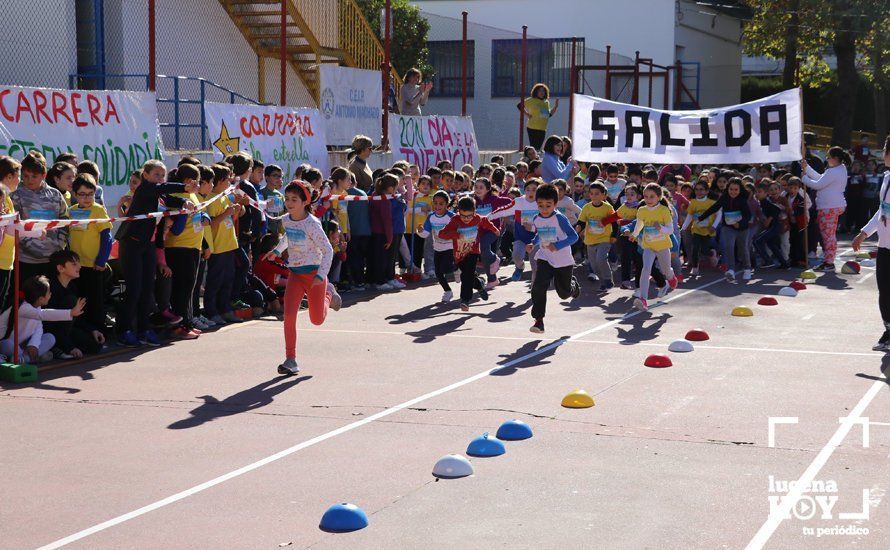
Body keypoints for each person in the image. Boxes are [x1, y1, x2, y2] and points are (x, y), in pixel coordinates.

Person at [264, 180, 341, 375]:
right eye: (287, 199)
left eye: (294, 199)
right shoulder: (287, 219)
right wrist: (277, 250)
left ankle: (329, 295)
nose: (289, 203)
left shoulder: (312, 224)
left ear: (305, 202)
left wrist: (322, 274)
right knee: (288, 316)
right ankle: (291, 359)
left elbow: (328, 250)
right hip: (295, 275)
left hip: (314, 275)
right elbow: (288, 237)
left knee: (317, 320)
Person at [114, 159, 188, 347]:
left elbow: (171, 200)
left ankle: (144, 329)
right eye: (156, 174)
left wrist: (184, 202)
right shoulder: (145, 189)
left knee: (148, 289)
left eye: (162, 175)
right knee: (134, 288)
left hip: (148, 245)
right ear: (145, 176)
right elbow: (164, 190)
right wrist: (185, 187)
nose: (160, 178)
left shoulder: (159, 195)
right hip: (131, 243)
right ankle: (124, 330)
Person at [514, 183, 581, 333]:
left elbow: (573, 237)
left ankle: (573, 286)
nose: (544, 209)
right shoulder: (536, 218)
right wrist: (533, 243)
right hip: (545, 257)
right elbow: (540, 234)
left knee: (563, 294)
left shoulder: (560, 218)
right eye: (541, 205)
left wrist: (557, 245)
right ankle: (538, 320)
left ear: (555, 204)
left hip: (562, 260)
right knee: (538, 286)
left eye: (548, 206)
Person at [851, 136, 890, 350]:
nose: (883, 154)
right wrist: (864, 233)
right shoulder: (887, 177)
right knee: (884, 290)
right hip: (884, 245)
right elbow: (882, 210)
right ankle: (888, 330)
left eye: (885, 150)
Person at [11, 151, 69, 282]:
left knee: (49, 299)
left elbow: (64, 221)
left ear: (44, 175)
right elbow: (14, 226)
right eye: (25, 176)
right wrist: (32, 247)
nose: (29, 180)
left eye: (34, 176)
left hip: (52, 259)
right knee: (27, 300)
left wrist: (59, 246)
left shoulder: (55, 195)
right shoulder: (16, 195)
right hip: (25, 260)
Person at [0, 275, 84, 363]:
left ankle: (23, 359)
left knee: (50, 338)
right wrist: (70, 313)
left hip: (23, 345)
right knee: (8, 344)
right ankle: (27, 359)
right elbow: (43, 314)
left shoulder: (37, 305)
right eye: (49, 293)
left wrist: (33, 345)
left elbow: (38, 328)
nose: (50, 294)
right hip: (6, 343)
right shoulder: (22, 307)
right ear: (40, 298)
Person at [68, 174, 113, 331]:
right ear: (74, 194)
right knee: (80, 299)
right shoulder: (71, 211)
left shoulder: (98, 210)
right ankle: (84, 331)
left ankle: (98, 330)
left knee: (96, 301)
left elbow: (107, 237)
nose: (87, 198)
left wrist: (101, 261)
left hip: (94, 266)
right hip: (75, 267)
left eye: (90, 194)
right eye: (82, 194)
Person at [43, 250, 105, 358]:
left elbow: (77, 317)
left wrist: (92, 330)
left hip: (66, 331)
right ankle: (58, 347)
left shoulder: (72, 287)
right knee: (71, 301)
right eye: (74, 264)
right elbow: (48, 322)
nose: (79, 266)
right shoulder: (50, 288)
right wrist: (69, 347)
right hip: (49, 332)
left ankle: (60, 347)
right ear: (60, 268)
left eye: (78, 263)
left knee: (95, 345)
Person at [203, 164, 244, 327]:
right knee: (215, 280)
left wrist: (237, 211)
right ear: (220, 180)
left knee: (228, 279)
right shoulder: (211, 199)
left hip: (229, 244)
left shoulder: (225, 196)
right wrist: (227, 213)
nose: (230, 181)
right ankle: (211, 311)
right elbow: (210, 223)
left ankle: (225, 309)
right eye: (227, 179)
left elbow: (229, 219)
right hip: (218, 246)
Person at [438, 196, 495, 311]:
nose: (466, 219)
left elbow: (485, 222)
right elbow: (442, 234)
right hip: (459, 254)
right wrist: (456, 235)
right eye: (463, 216)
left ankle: (465, 300)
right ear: (458, 212)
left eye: (469, 216)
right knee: (468, 275)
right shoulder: (455, 220)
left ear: (474, 212)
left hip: (473, 251)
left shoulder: (477, 218)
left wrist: (495, 229)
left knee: (466, 276)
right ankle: (479, 284)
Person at [629, 183, 678, 312]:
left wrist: (660, 228)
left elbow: (670, 230)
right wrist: (634, 235)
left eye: (652, 197)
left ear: (659, 197)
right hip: (649, 246)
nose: (648, 200)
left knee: (665, 270)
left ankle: (671, 278)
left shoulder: (663, 210)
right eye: (646, 197)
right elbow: (639, 225)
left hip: (662, 246)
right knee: (646, 269)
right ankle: (643, 300)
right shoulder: (642, 210)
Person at [694, 177, 753, 281]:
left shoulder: (743, 200)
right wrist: (700, 217)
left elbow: (748, 216)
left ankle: (747, 269)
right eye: (731, 189)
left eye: (736, 189)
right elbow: (714, 208)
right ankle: (731, 270)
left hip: (742, 228)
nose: (733, 192)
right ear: (727, 189)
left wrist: (739, 224)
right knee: (728, 246)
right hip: (728, 227)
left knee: (742, 248)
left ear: (740, 190)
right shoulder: (724, 198)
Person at [802, 146, 850, 271]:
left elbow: (818, 185)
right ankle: (829, 261)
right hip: (833, 206)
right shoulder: (839, 169)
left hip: (829, 207)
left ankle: (829, 262)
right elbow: (821, 179)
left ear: (835, 158)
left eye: (828, 157)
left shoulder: (834, 171)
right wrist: (807, 168)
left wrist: (804, 178)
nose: (827, 159)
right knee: (829, 235)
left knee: (828, 236)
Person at [577, 181, 619, 292]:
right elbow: (581, 221)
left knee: (601, 259)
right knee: (594, 264)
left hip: (604, 238)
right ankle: (603, 283)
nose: (593, 196)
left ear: (603, 195)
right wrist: (578, 229)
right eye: (591, 193)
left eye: (597, 193)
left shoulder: (607, 207)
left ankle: (608, 279)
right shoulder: (586, 208)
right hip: (590, 239)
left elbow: (614, 222)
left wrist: (614, 235)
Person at [415, 190, 456, 303]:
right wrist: (419, 231)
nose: (438, 206)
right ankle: (448, 291)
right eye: (435, 203)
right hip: (437, 248)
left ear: (447, 204)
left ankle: (458, 269)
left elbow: (459, 231)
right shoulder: (431, 217)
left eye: (441, 204)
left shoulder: (452, 217)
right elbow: (426, 234)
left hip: (450, 248)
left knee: (446, 269)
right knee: (438, 272)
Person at [681, 180, 717, 277]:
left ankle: (711, 254)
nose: (699, 192)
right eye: (696, 189)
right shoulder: (693, 202)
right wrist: (683, 228)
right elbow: (690, 216)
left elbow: (719, 214)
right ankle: (695, 267)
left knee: (704, 250)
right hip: (696, 229)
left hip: (708, 230)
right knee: (695, 248)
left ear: (707, 191)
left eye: (701, 190)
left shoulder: (711, 203)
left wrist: (714, 226)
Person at [523, 83, 559, 151]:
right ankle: (530, 159)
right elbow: (520, 105)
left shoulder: (546, 102)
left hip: (542, 128)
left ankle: (535, 160)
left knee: (538, 148)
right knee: (534, 147)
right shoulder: (531, 100)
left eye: (543, 91)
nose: (542, 92)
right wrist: (527, 114)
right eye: (540, 91)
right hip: (532, 127)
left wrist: (555, 106)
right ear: (536, 91)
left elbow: (549, 115)